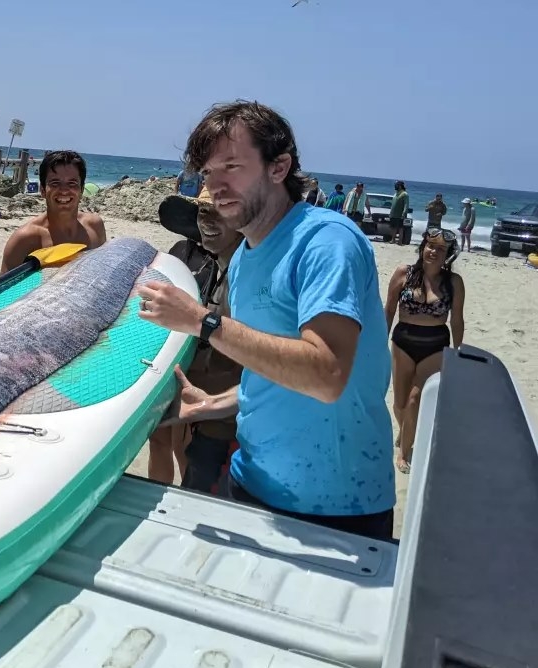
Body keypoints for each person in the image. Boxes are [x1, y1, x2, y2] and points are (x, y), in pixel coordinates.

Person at [138, 99, 395, 540]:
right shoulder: (244, 259)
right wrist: (215, 403)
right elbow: (275, 369)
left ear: (279, 168)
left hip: (337, 504)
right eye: (207, 173)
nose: (216, 186)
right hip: (251, 481)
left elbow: (326, 374)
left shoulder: (326, 242)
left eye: (232, 167)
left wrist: (204, 321)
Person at [146, 187, 244, 492]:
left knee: (193, 462)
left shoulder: (246, 271)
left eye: (220, 212)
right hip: (183, 377)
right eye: (204, 211)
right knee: (166, 444)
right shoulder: (183, 254)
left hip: (222, 399)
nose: (210, 221)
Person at [385, 227, 465, 474]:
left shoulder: (453, 282)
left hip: (435, 346)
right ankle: (405, 431)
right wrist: (380, 340)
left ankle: (404, 452)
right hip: (403, 343)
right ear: (422, 248)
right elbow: (388, 310)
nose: (434, 252)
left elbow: (457, 320)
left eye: (441, 249)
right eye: (431, 246)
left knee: (414, 398)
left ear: (448, 255)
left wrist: (458, 352)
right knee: (399, 402)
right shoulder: (403, 274)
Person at [0, 150, 107, 273]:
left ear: (81, 189)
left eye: (72, 183)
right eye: (55, 183)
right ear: (43, 190)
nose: (64, 190)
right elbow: (3, 290)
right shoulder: (24, 239)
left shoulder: (95, 226)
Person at [390, 181, 410, 245]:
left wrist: (404, 213)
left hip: (400, 214)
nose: (395, 186)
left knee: (400, 228)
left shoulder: (404, 194)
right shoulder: (395, 194)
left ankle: (400, 241)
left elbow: (406, 204)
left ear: (400, 186)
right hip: (393, 214)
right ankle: (393, 240)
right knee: (393, 227)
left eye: (396, 185)